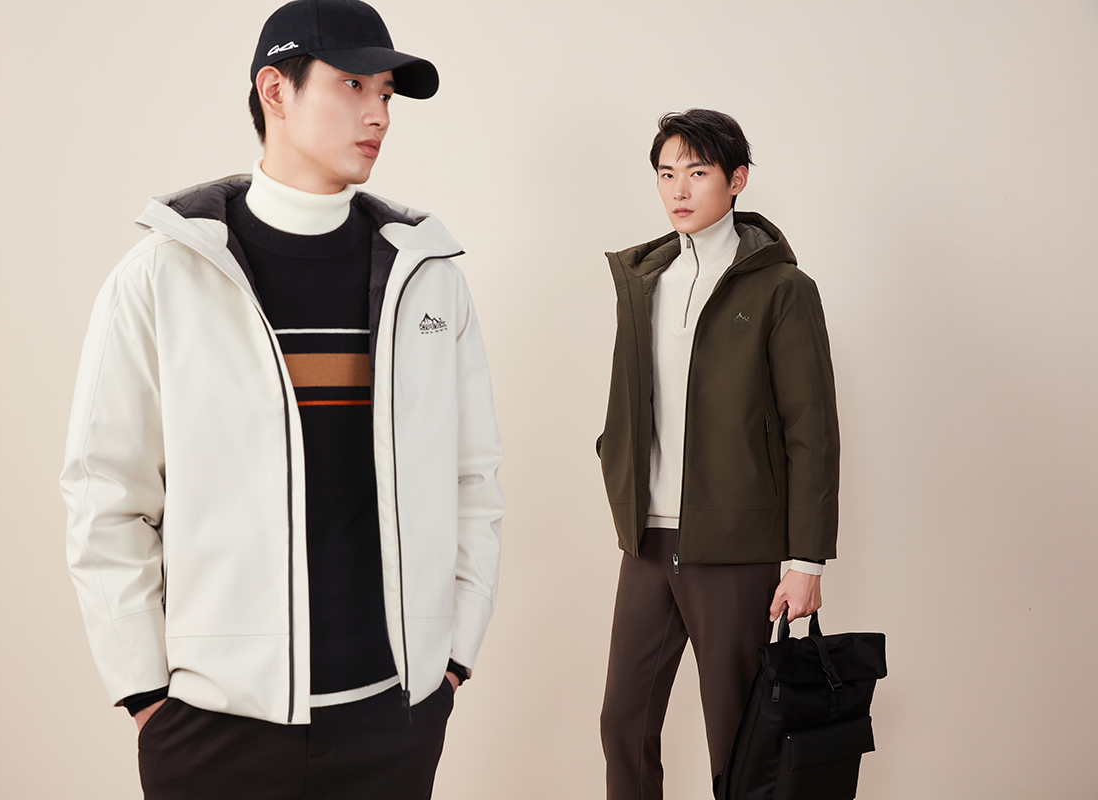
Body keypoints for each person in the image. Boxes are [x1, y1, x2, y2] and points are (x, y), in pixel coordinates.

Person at [60, 1, 505, 797]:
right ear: (275, 90)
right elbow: (107, 496)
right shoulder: (164, 275)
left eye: (387, 94)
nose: (379, 113)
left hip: (392, 717)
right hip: (214, 724)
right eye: (353, 85)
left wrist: (452, 660)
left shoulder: (427, 278)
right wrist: (146, 693)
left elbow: (473, 480)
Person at [596, 108, 839, 798]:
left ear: (736, 180)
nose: (678, 189)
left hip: (736, 545)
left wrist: (806, 560)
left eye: (697, 172)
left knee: (736, 734)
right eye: (666, 173)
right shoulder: (645, 281)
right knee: (623, 722)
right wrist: (615, 461)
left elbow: (811, 430)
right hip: (649, 538)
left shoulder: (783, 289)